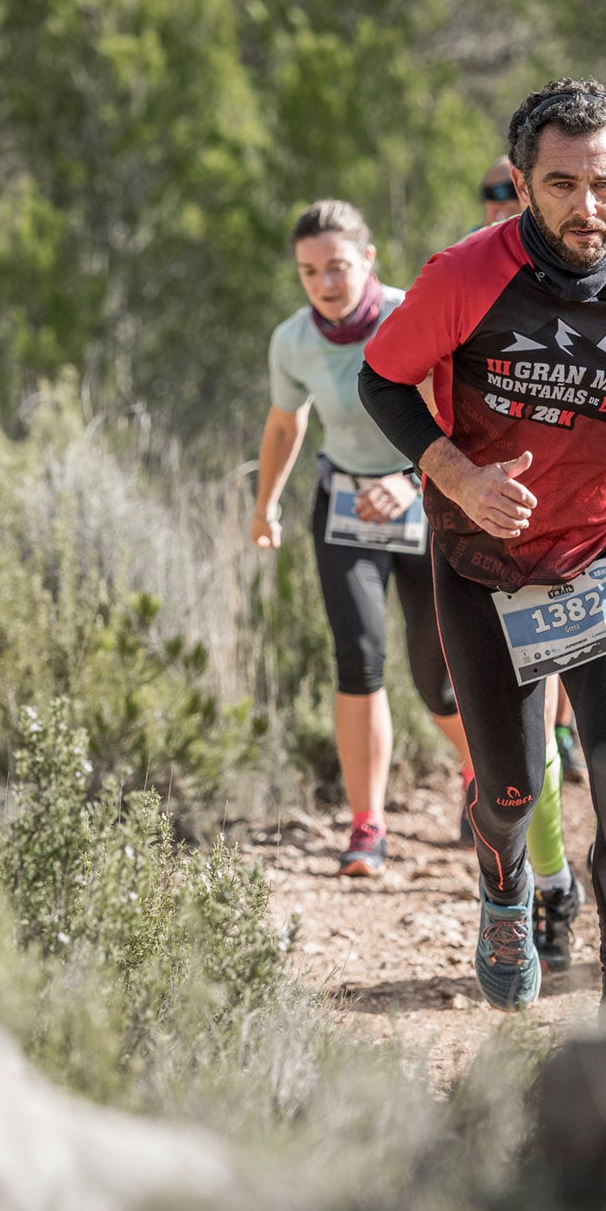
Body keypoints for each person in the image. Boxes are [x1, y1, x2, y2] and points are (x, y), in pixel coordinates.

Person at [361, 80, 606, 1024]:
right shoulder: (464, 278)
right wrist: (456, 474)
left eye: (604, 183)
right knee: (514, 791)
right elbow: (381, 379)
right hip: (487, 565)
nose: (586, 205)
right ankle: (506, 882)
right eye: (561, 183)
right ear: (522, 183)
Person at [252, 200, 477, 878]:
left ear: (369, 261)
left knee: (438, 678)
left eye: (339, 266)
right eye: (309, 271)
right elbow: (286, 426)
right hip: (344, 503)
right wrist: (264, 506)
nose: (325, 282)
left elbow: (456, 415)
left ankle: (478, 769)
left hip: (427, 499)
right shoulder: (293, 340)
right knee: (358, 657)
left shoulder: (413, 313)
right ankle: (366, 824)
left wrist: (414, 480)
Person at [481, 155, 592, 786]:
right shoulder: (470, 266)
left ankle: (562, 739)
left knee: (567, 646)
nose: (501, 203)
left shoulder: (584, 257)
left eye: (510, 192)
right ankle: (527, 774)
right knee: (524, 662)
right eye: (491, 194)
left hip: (583, 496)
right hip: (504, 498)